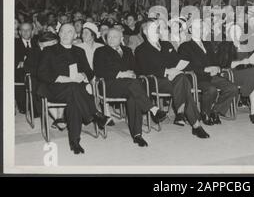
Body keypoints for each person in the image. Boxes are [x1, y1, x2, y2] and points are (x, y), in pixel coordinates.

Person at [37, 23, 110, 154]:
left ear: (75, 35)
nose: (65, 35)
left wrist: (84, 76)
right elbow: (41, 73)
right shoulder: (49, 50)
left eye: (69, 32)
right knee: (74, 88)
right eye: (63, 32)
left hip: (74, 90)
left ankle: (75, 142)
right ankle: (95, 114)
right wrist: (62, 78)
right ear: (59, 34)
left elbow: (88, 71)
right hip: (54, 88)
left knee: (74, 99)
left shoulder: (79, 51)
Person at [135, 20, 210, 139]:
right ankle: (191, 121)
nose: (158, 31)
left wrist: (177, 70)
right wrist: (166, 72)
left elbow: (178, 61)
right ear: (145, 32)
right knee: (184, 83)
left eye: (158, 28)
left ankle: (190, 120)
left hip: (174, 79)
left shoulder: (167, 45)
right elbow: (144, 69)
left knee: (182, 79)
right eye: (154, 28)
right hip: (155, 81)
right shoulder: (141, 49)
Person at [93, 28, 167, 147]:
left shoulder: (127, 51)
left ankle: (137, 135)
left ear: (122, 39)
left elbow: (137, 68)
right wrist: (120, 74)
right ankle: (153, 109)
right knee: (133, 85)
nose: (111, 39)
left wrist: (133, 73)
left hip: (129, 86)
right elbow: (99, 71)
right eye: (109, 37)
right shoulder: (100, 51)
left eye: (115, 37)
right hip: (109, 85)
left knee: (133, 95)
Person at [178, 20, 238, 125]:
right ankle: (205, 113)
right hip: (197, 77)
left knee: (232, 88)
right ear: (190, 30)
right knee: (211, 90)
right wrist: (204, 70)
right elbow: (185, 66)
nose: (200, 30)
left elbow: (216, 61)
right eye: (197, 28)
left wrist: (218, 68)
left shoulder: (207, 44)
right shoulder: (185, 46)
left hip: (211, 76)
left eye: (201, 28)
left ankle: (215, 111)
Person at [15, 22, 39, 113]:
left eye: (28, 30)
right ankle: (27, 106)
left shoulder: (37, 42)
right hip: (20, 73)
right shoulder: (14, 43)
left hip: (35, 70)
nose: (25, 32)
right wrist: (20, 63)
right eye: (23, 30)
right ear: (19, 32)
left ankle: (36, 107)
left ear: (32, 31)